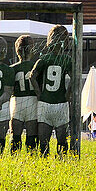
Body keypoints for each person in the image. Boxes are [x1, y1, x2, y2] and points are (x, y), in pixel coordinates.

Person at [28, 25, 74, 157]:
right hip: (60, 103)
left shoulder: (43, 59)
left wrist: (39, 93)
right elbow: (74, 78)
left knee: (44, 140)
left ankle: (44, 162)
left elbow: (32, 76)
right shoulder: (67, 59)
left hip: (45, 102)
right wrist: (68, 93)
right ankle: (62, 162)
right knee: (62, 140)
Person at [9, 35, 38, 152]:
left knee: (15, 134)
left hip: (17, 102)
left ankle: (14, 157)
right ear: (32, 49)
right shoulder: (36, 66)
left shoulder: (12, 68)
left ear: (17, 51)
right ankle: (32, 158)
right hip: (32, 101)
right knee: (32, 134)